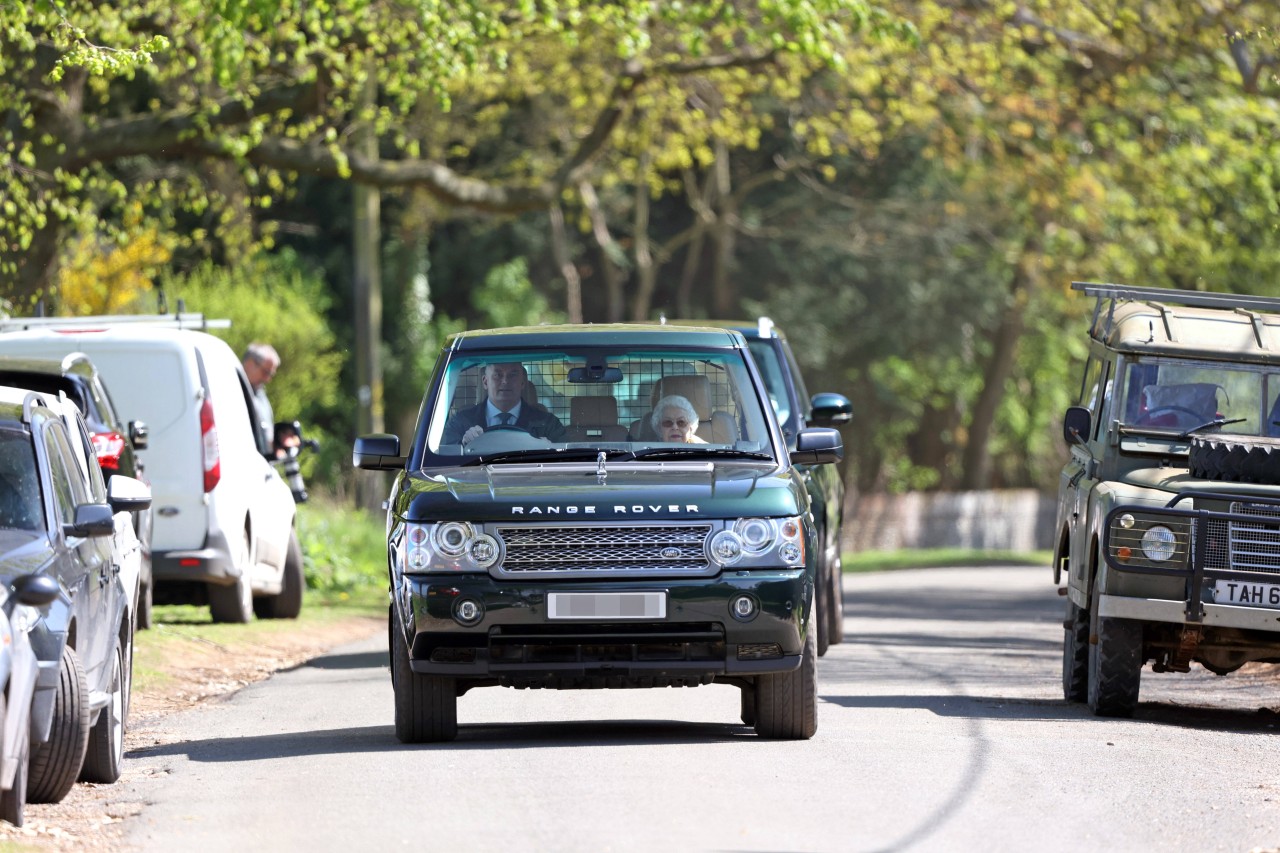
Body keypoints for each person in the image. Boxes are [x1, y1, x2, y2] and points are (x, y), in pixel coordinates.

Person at [443, 362, 566, 445]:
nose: (505, 381)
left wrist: (551, 450)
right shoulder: (461, 423)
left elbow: (566, 462)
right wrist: (463, 445)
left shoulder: (548, 425)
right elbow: (442, 461)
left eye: (513, 375)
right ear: (485, 382)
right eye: (497, 375)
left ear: (523, 382)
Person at [241, 342, 280, 444]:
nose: (267, 379)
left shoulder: (260, 393)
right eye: (266, 372)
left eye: (270, 374)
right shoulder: (229, 389)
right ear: (249, 363)